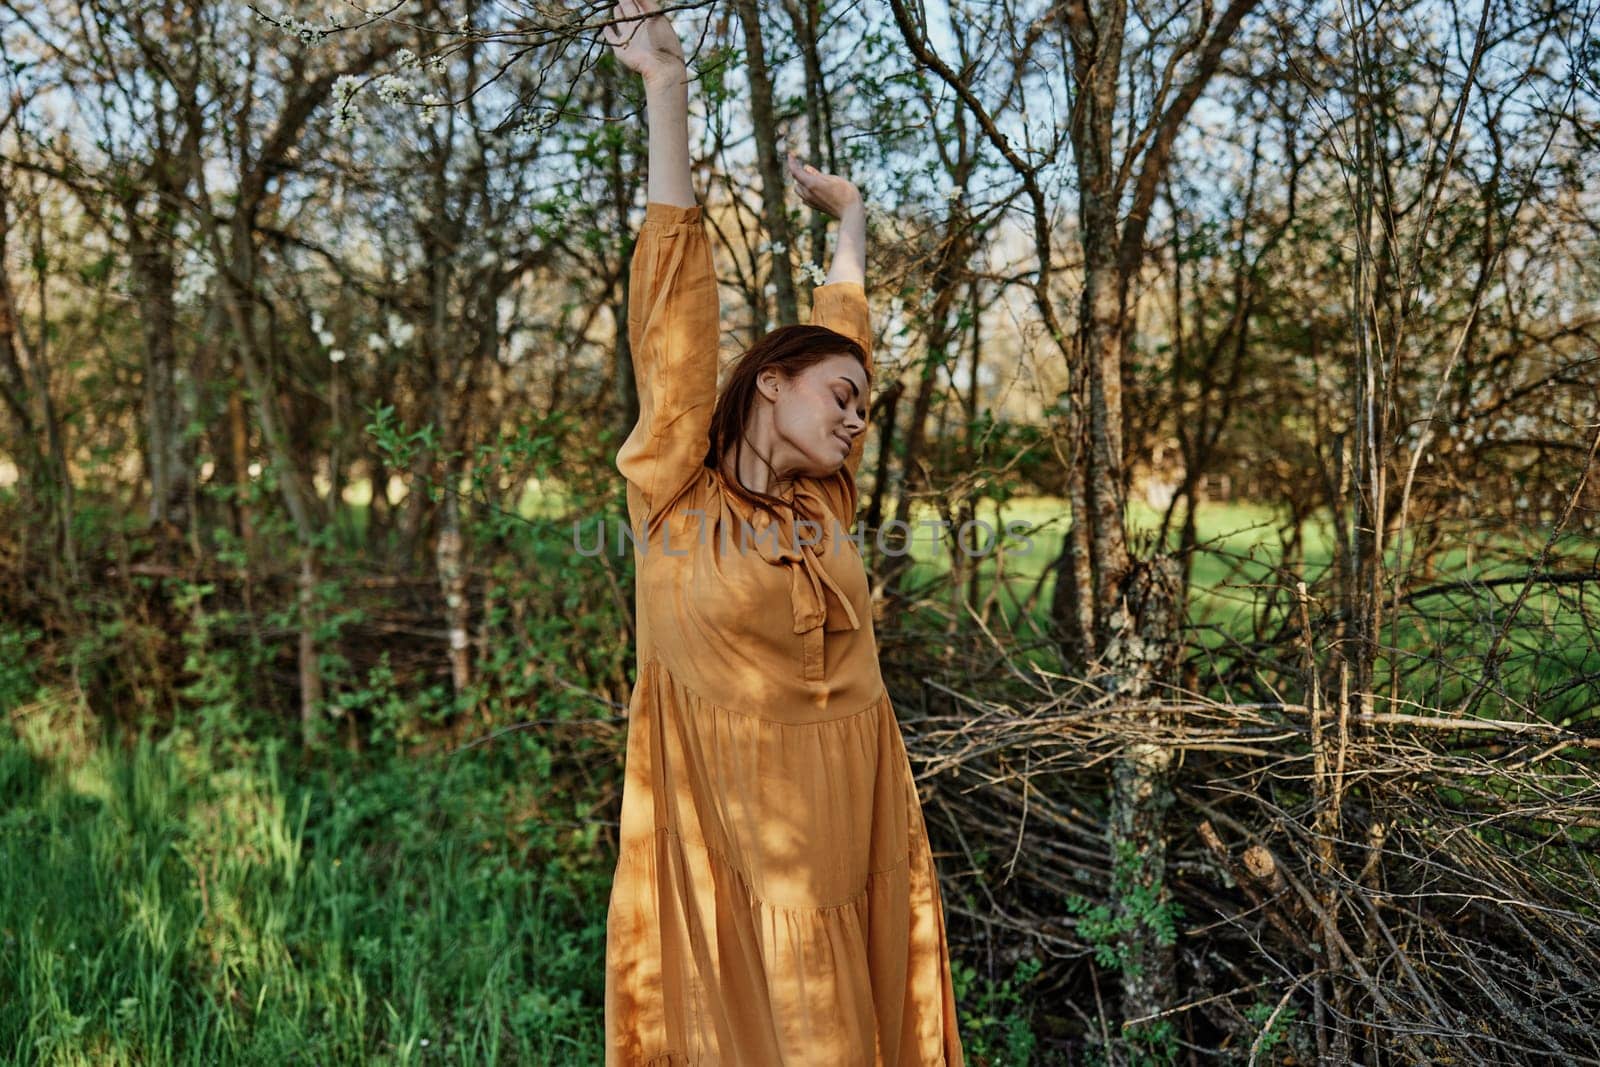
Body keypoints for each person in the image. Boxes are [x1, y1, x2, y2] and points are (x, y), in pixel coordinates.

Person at [601, 2, 966, 1063]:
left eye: (864, 407)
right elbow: (672, 309)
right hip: (732, 827)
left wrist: (849, 225)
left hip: (853, 817)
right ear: (769, 384)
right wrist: (666, 87)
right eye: (840, 398)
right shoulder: (675, 488)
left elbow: (844, 335)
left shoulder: (825, 503)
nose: (856, 418)